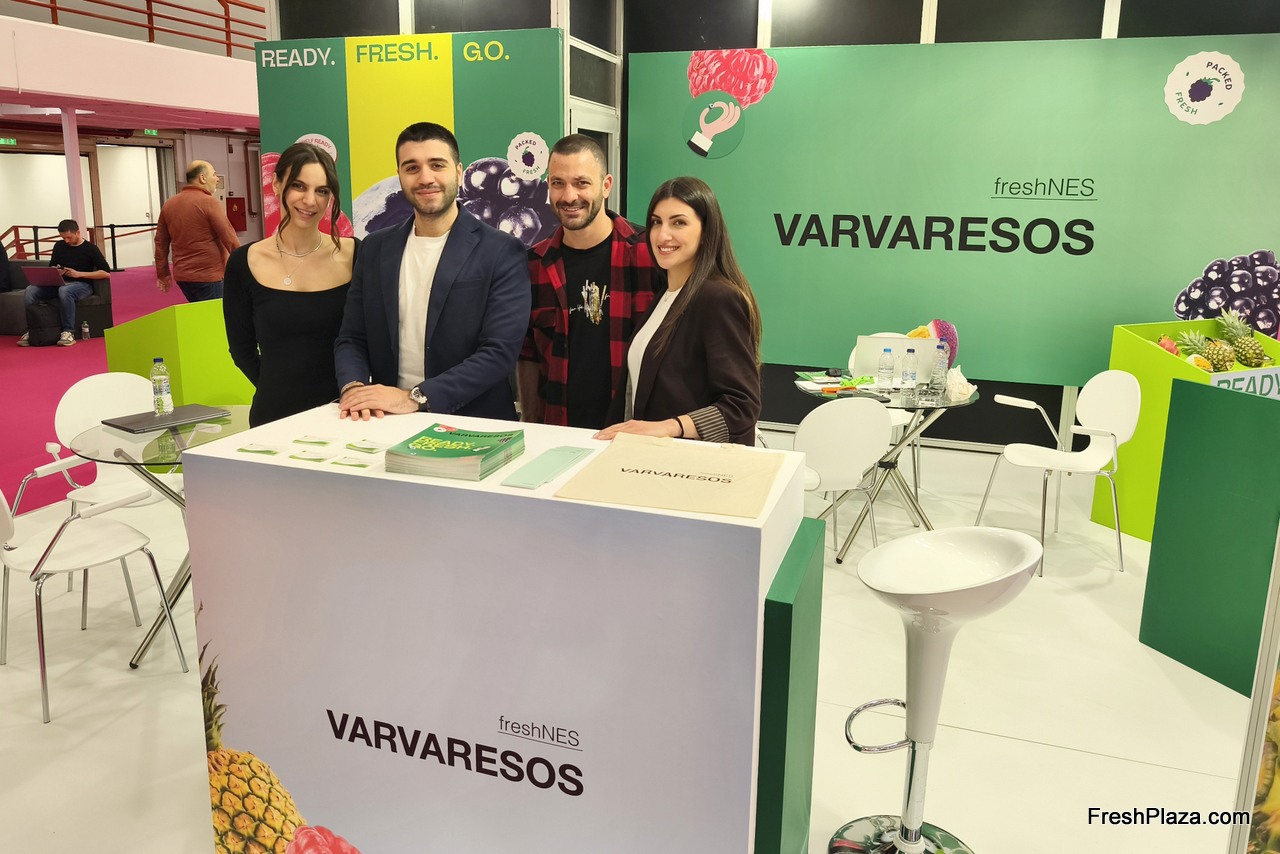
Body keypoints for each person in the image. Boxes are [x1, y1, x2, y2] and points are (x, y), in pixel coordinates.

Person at [334, 122, 530, 421]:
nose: (425, 178)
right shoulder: (374, 248)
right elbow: (351, 337)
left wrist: (414, 398)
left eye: (437, 165)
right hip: (386, 420)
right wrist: (355, 389)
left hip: (473, 424)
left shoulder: (502, 251)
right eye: (412, 168)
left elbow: (498, 353)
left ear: (459, 172)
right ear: (400, 175)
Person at [596, 177, 762, 445]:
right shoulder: (665, 296)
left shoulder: (718, 297)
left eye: (678, 223)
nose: (663, 235)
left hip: (693, 464)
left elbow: (742, 406)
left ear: (707, 231)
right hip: (652, 459)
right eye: (656, 222)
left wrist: (670, 427)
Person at [518, 134, 660, 428]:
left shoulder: (650, 254)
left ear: (606, 185)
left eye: (581, 183)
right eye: (558, 183)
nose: (569, 196)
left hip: (634, 432)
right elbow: (528, 354)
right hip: (557, 433)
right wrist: (529, 421)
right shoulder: (534, 264)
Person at [223, 143, 359, 427]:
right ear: (276, 184)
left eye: (322, 191)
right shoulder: (244, 262)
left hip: (345, 413)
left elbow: (370, 337)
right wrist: (277, 388)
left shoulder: (355, 254)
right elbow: (241, 350)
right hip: (274, 415)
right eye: (299, 186)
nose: (310, 201)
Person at [154, 160, 240, 302]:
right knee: (215, 314)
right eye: (214, 174)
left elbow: (160, 242)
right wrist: (246, 266)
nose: (217, 179)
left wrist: (162, 273)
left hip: (183, 277)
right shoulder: (209, 202)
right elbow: (229, 238)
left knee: (199, 311)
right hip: (210, 276)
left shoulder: (169, 204)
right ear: (202, 178)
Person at [18, 219, 110, 347]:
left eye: (69, 237)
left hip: (82, 285)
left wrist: (79, 274)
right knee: (31, 290)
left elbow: (106, 272)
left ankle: (68, 332)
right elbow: (52, 266)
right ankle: (33, 330)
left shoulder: (90, 249)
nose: (66, 241)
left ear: (78, 232)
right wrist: (56, 271)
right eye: (63, 238)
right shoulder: (59, 246)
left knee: (65, 290)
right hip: (60, 282)